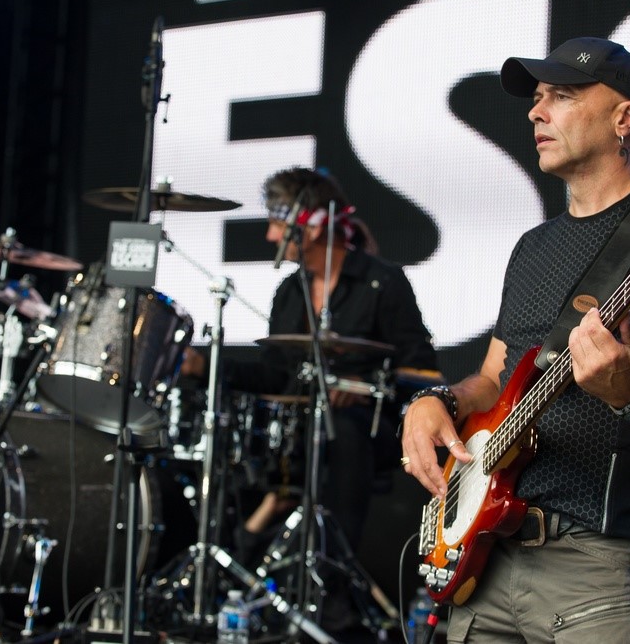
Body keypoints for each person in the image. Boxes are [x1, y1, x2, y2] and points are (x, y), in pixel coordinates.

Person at [399, 37, 630, 643]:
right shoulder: (532, 247)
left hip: (596, 572)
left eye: (562, 95)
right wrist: (438, 400)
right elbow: (495, 380)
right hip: (488, 561)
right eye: (537, 97)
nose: (536, 111)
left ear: (624, 117)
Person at [181, 166, 439, 634]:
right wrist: (205, 367)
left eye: (277, 222)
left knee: (342, 436)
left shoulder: (382, 282)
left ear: (314, 225)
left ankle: (331, 594)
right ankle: (233, 581)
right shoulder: (290, 291)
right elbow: (274, 376)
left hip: (365, 430)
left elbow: (422, 370)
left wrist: (358, 384)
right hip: (297, 430)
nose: (270, 235)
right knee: (236, 439)